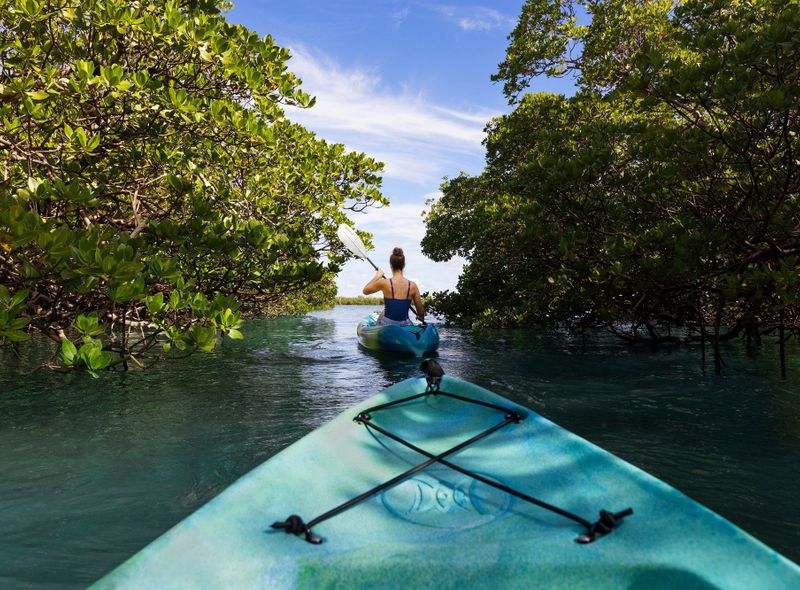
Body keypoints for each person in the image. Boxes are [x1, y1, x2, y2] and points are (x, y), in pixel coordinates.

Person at [362, 247, 425, 325]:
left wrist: (378, 276)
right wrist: (420, 316)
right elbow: (421, 312)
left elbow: (365, 291)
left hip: (387, 323)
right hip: (405, 324)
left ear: (391, 265)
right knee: (385, 312)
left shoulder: (385, 283)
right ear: (403, 265)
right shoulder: (413, 286)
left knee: (384, 312)